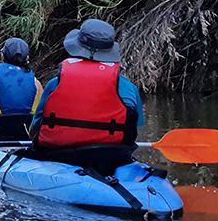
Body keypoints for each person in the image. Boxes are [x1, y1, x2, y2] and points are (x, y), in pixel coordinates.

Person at [30, 18, 143, 173]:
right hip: (111, 158)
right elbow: (132, 131)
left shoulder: (55, 84)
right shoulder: (130, 89)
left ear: (77, 46)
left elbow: (35, 128)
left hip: (57, 155)